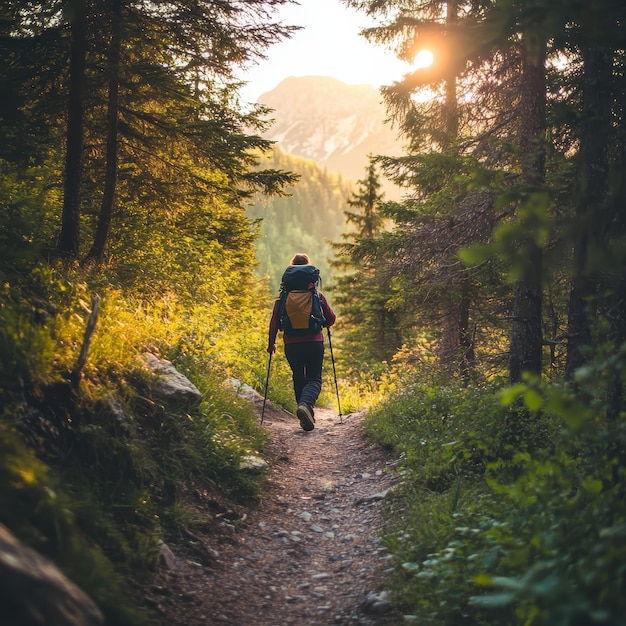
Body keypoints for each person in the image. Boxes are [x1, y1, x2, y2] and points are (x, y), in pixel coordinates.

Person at [267, 253, 336, 431]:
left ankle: (304, 410)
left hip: (291, 343)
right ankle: (306, 405)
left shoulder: (282, 297)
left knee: (299, 376)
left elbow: (274, 321)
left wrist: (271, 343)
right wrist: (323, 323)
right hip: (314, 342)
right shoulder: (316, 295)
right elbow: (331, 318)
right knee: (314, 378)